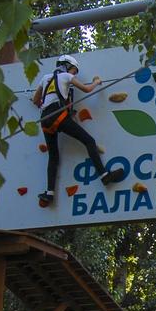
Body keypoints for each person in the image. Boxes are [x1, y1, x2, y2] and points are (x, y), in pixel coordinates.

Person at [32, 54, 124, 207]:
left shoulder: (45, 78)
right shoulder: (67, 76)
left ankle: (49, 193)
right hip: (59, 115)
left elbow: (35, 100)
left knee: (53, 156)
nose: (74, 74)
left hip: (45, 119)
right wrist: (96, 82)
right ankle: (104, 175)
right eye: (74, 70)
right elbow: (87, 89)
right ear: (67, 66)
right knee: (89, 141)